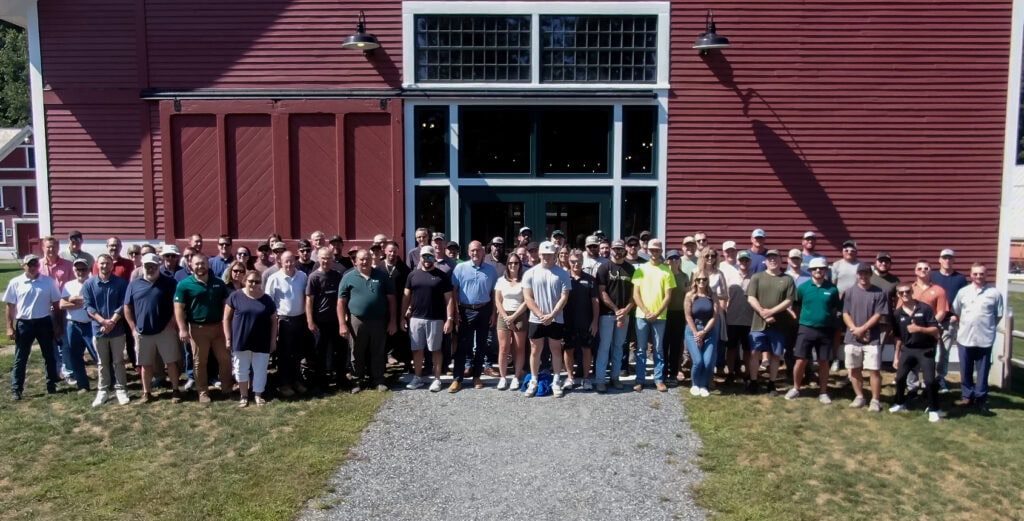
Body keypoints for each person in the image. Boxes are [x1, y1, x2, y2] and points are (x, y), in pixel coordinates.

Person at [120, 253, 181, 404]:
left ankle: (176, 390)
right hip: (142, 332)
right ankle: (147, 393)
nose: (150, 268)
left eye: (153, 265)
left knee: (171, 362)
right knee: (145, 364)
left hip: (165, 330)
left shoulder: (170, 283)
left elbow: (177, 304)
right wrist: (133, 327)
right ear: (142, 266)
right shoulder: (134, 284)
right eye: (147, 266)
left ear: (158, 265)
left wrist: (172, 321)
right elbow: (127, 307)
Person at [174, 253, 232, 403]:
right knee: (200, 362)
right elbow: (179, 308)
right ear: (191, 266)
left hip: (218, 328)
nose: (200, 266)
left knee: (225, 359)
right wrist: (182, 329)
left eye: (203, 263)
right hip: (197, 329)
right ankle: (203, 392)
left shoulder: (219, 283)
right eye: (197, 264)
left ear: (208, 264)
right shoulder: (184, 284)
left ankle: (227, 389)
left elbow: (226, 305)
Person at [338, 249, 397, 393]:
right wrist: (342, 323)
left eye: (367, 259)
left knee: (377, 350)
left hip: (379, 320)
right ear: (355, 261)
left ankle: (377, 380)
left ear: (371, 260)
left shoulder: (382, 276)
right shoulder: (348, 277)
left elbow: (392, 300)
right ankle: (357, 380)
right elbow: (341, 302)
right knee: (356, 351)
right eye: (361, 259)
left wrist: (393, 321)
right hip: (357, 320)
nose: (364, 262)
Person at [6, 254, 62, 400]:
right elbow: (10, 306)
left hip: (44, 322)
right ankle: (16, 389)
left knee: (49, 355)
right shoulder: (16, 282)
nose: (32, 267)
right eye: (29, 264)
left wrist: (57, 325)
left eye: (35, 264)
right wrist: (9, 327)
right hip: (24, 324)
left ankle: (51, 385)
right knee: (21, 358)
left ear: (39, 266)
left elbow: (56, 305)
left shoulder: (48, 282)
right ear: (23, 265)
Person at [785, 257, 840, 403]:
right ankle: (796, 388)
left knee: (823, 361)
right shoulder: (803, 288)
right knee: (801, 360)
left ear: (825, 270)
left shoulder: (832, 289)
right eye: (815, 269)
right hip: (806, 328)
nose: (818, 271)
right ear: (810, 271)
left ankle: (823, 392)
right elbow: (796, 307)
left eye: (821, 269)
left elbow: (834, 309)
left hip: (825, 330)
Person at [401, 245, 455, 391]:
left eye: (430, 256)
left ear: (434, 258)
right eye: (425, 256)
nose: (427, 259)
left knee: (436, 350)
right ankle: (418, 378)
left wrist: (449, 318)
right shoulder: (412, 275)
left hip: (436, 319)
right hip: (416, 319)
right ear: (421, 257)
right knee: (417, 350)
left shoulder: (441, 276)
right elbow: (406, 297)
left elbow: (449, 299)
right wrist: (402, 317)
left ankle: (437, 379)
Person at [952, 263, 1004, 414]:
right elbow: (957, 311)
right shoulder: (963, 292)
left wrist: (986, 326)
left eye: (981, 274)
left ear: (986, 275)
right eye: (975, 274)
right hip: (965, 338)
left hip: (984, 338)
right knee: (965, 369)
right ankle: (967, 396)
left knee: (983, 371)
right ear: (971, 275)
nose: (978, 276)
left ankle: (981, 398)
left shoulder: (994, 293)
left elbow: (998, 315)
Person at [522, 241, 572, 397]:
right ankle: (534, 380)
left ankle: (556, 380)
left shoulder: (562, 273)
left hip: (556, 319)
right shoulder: (530, 273)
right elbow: (528, 297)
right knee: (535, 350)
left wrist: (552, 314)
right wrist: (540, 314)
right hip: (536, 319)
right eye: (544, 254)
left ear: (554, 255)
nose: (546, 257)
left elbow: (565, 297)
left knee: (555, 350)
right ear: (539, 254)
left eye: (550, 255)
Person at [449, 240, 498, 392]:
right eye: (472, 251)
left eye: (478, 250)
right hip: (465, 311)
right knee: (463, 345)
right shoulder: (460, 268)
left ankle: (477, 376)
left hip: (484, 310)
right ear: (468, 252)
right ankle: (457, 379)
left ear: (483, 252)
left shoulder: (491, 270)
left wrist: (494, 314)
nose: (475, 253)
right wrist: (455, 312)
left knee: (482, 345)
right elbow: (454, 292)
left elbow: (495, 294)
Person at [745, 249, 796, 395]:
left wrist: (771, 312)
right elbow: (751, 298)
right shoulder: (757, 277)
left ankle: (772, 384)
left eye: (775, 258)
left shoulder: (787, 279)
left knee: (775, 354)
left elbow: (789, 300)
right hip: (758, 323)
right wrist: (763, 312)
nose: (772, 260)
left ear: (781, 260)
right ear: (765, 261)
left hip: (779, 324)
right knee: (755, 352)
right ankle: (754, 381)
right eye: (769, 258)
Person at [224, 270, 278, 407]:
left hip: (262, 341)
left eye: (257, 281)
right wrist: (228, 338)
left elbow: (274, 321)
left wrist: (273, 341)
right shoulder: (235, 296)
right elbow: (226, 319)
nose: (253, 284)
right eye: (250, 281)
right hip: (240, 340)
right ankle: (244, 395)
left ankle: (258, 395)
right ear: (245, 281)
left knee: (260, 369)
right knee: (241, 369)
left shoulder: (267, 299)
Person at [889, 283, 942, 422]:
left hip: (925, 349)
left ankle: (934, 409)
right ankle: (900, 403)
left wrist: (919, 329)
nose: (905, 295)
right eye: (901, 293)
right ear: (898, 295)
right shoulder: (897, 313)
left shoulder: (925, 309)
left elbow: (936, 330)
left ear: (912, 292)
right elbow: (898, 337)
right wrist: (896, 356)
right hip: (908, 349)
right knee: (900, 378)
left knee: (930, 381)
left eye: (907, 292)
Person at [842, 263, 889, 412]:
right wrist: (855, 329)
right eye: (861, 273)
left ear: (871, 275)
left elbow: (878, 314)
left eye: (866, 273)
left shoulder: (879, 293)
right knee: (854, 369)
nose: (863, 276)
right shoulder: (849, 292)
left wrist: (863, 329)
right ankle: (860, 397)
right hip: (852, 337)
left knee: (874, 370)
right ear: (857, 275)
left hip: (872, 338)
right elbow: (845, 313)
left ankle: (875, 400)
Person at [631, 238, 676, 392]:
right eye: (652, 250)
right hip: (641, 316)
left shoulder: (667, 271)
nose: (654, 252)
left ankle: (659, 380)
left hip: (660, 317)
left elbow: (668, 296)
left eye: (657, 250)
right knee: (641, 349)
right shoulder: (640, 269)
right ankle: (640, 379)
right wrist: (646, 311)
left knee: (658, 349)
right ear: (648, 251)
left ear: (661, 251)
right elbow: (636, 295)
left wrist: (656, 313)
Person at [264, 251, 310, 397]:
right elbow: (268, 301)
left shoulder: (302, 276)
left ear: (295, 261)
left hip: (300, 320)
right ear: (281, 262)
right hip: (284, 321)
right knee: (284, 355)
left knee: (298, 353)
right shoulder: (274, 278)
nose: (289, 264)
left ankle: (296, 381)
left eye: (291, 261)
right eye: (286, 262)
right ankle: (284, 384)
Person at [593, 239, 635, 393]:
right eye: (615, 249)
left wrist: (626, 310)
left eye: (620, 249)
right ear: (610, 250)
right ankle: (600, 380)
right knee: (604, 348)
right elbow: (602, 292)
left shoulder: (630, 269)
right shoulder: (604, 268)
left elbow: (634, 294)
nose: (618, 252)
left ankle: (615, 378)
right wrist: (616, 309)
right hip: (607, 315)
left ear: (625, 250)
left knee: (618, 348)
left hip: (624, 315)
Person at [306, 247, 347, 394]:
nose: (326, 261)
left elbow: (342, 299)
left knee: (340, 351)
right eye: (323, 258)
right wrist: (310, 321)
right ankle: (321, 382)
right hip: (320, 322)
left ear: (332, 259)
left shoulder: (337, 275)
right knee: (320, 353)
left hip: (336, 320)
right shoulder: (314, 277)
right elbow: (309, 301)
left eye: (328, 258)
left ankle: (341, 379)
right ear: (318, 258)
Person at [905, 260, 950, 393]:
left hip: (930, 332)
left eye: (926, 268)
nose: (923, 270)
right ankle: (912, 386)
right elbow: (902, 308)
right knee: (911, 359)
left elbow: (942, 311)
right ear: (915, 271)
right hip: (911, 331)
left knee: (928, 359)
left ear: (930, 270)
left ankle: (927, 386)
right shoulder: (908, 289)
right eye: (919, 268)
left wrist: (928, 327)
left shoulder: (939, 290)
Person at [931, 248, 968, 391]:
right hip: (932, 320)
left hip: (949, 321)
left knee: (944, 352)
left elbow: (965, 299)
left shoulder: (960, 279)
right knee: (929, 350)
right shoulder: (933, 276)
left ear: (953, 261)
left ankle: (940, 378)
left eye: (949, 258)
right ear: (939, 260)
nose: (947, 260)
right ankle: (928, 378)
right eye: (944, 258)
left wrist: (957, 316)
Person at [564, 249, 599, 390]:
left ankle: (586, 378)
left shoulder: (590, 279)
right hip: (567, 321)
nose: (576, 264)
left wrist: (595, 322)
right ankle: (570, 377)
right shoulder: (564, 277)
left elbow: (595, 301)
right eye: (573, 261)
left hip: (586, 321)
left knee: (586, 350)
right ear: (569, 261)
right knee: (568, 349)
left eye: (579, 261)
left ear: (582, 262)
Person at [58, 259, 94, 393]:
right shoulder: (68, 285)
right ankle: (83, 384)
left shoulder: (93, 282)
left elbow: (94, 303)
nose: (80, 272)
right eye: (78, 269)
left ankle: (108, 381)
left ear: (88, 270)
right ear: (74, 271)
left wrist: (75, 299)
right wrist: (82, 302)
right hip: (73, 325)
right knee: (75, 356)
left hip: (90, 325)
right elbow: (62, 305)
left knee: (97, 354)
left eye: (83, 269)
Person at [495, 252, 528, 391]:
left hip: (519, 315)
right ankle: (503, 378)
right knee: (503, 348)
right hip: (503, 315)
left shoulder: (525, 280)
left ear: (520, 265)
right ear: (507, 265)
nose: (513, 265)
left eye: (516, 263)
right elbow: (497, 300)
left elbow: (527, 300)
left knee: (519, 348)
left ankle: (516, 376)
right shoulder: (501, 280)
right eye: (510, 263)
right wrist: (505, 316)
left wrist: (513, 317)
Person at [684, 272, 720, 397]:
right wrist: (696, 333)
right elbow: (688, 316)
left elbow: (715, 316)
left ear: (707, 281)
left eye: (704, 279)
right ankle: (695, 384)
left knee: (708, 361)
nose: (701, 282)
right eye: (698, 279)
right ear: (695, 281)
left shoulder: (712, 296)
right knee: (698, 361)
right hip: (692, 330)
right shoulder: (690, 295)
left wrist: (704, 332)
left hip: (709, 330)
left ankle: (704, 385)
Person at [724, 251, 754, 384]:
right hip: (732, 319)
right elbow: (725, 297)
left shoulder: (755, 278)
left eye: (746, 260)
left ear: (750, 262)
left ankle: (747, 374)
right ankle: (730, 373)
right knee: (731, 349)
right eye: (742, 260)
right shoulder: (731, 276)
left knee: (748, 350)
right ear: (737, 261)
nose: (744, 263)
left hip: (749, 320)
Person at [664, 250, 689, 386]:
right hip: (665, 313)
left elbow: (687, 296)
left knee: (676, 344)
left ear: (680, 260)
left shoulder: (684, 276)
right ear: (667, 260)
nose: (674, 261)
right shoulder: (664, 274)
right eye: (671, 258)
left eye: (676, 258)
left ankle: (673, 373)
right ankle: (662, 373)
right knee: (663, 344)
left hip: (679, 313)